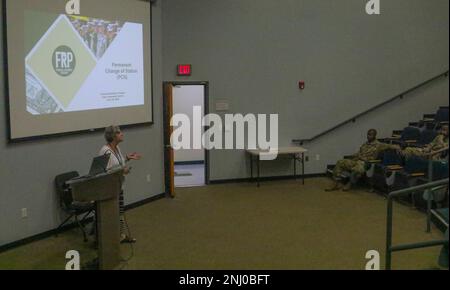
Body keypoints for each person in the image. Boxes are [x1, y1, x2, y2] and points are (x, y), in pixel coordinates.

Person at [99, 125, 141, 243]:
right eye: (118, 132)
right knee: (112, 214)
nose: (122, 134)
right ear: (112, 136)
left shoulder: (117, 148)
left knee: (120, 213)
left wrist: (127, 158)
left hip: (118, 186)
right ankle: (111, 239)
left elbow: (118, 164)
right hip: (110, 189)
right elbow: (105, 171)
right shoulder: (105, 151)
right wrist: (123, 171)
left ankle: (121, 236)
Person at [326, 129, 400, 192]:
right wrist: (354, 155)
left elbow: (390, 146)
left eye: (370, 135)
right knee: (340, 162)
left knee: (357, 169)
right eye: (368, 134)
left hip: (365, 163)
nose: (368, 136)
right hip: (356, 160)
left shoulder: (378, 145)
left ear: (374, 136)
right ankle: (336, 182)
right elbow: (359, 152)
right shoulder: (365, 144)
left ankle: (349, 183)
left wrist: (397, 147)